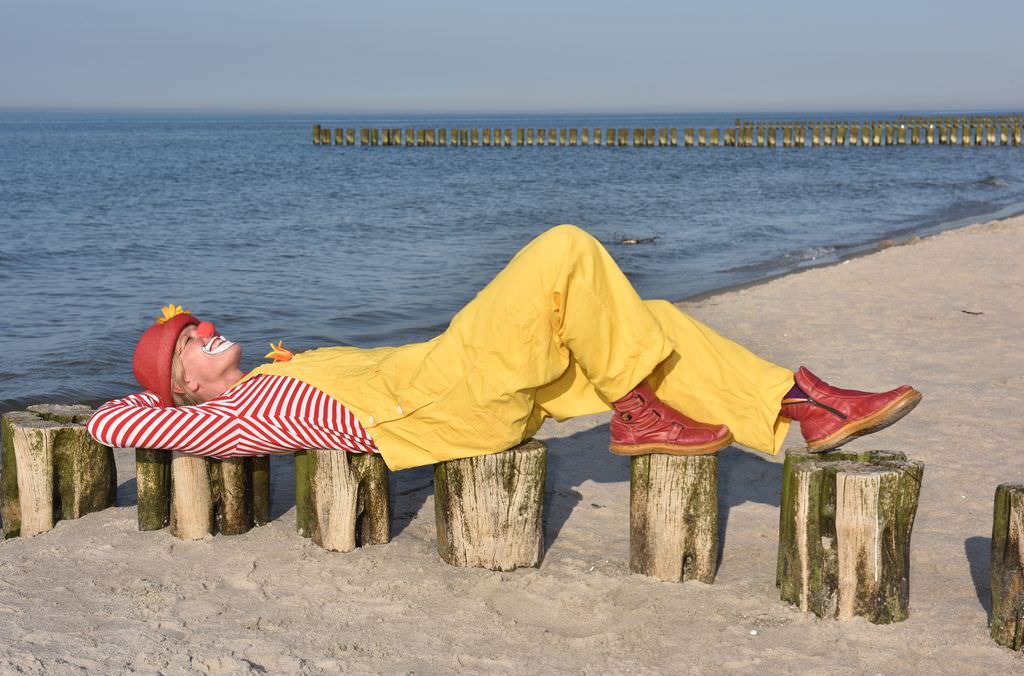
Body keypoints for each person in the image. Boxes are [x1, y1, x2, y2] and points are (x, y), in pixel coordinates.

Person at [87, 225, 921, 470]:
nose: (201, 329)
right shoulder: (223, 419)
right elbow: (109, 423)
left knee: (656, 315)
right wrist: (169, 401)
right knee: (563, 247)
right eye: (186, 343)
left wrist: (238, 370)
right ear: (184, 388)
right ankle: (638, 411)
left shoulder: (267, 373)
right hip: (442, 394)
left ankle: (799, 405)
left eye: (194, 323)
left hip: (457, 384)